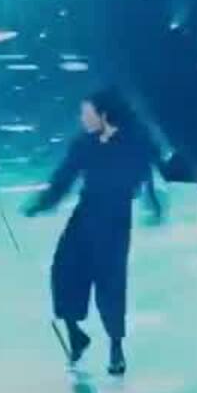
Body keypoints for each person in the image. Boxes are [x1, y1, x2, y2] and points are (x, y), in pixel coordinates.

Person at [22, 88, 164, 377]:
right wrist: (42, 203)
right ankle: (76, 333)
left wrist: (153, 203)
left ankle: (116, 347)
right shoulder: (83, 144)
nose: (82, 118)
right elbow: (64, 178)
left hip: (115, 223)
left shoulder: (135, 141)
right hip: (84, 217)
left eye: (87, 113)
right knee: (63, 271)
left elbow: (148, 173)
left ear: (104, 114)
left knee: (110, 283)